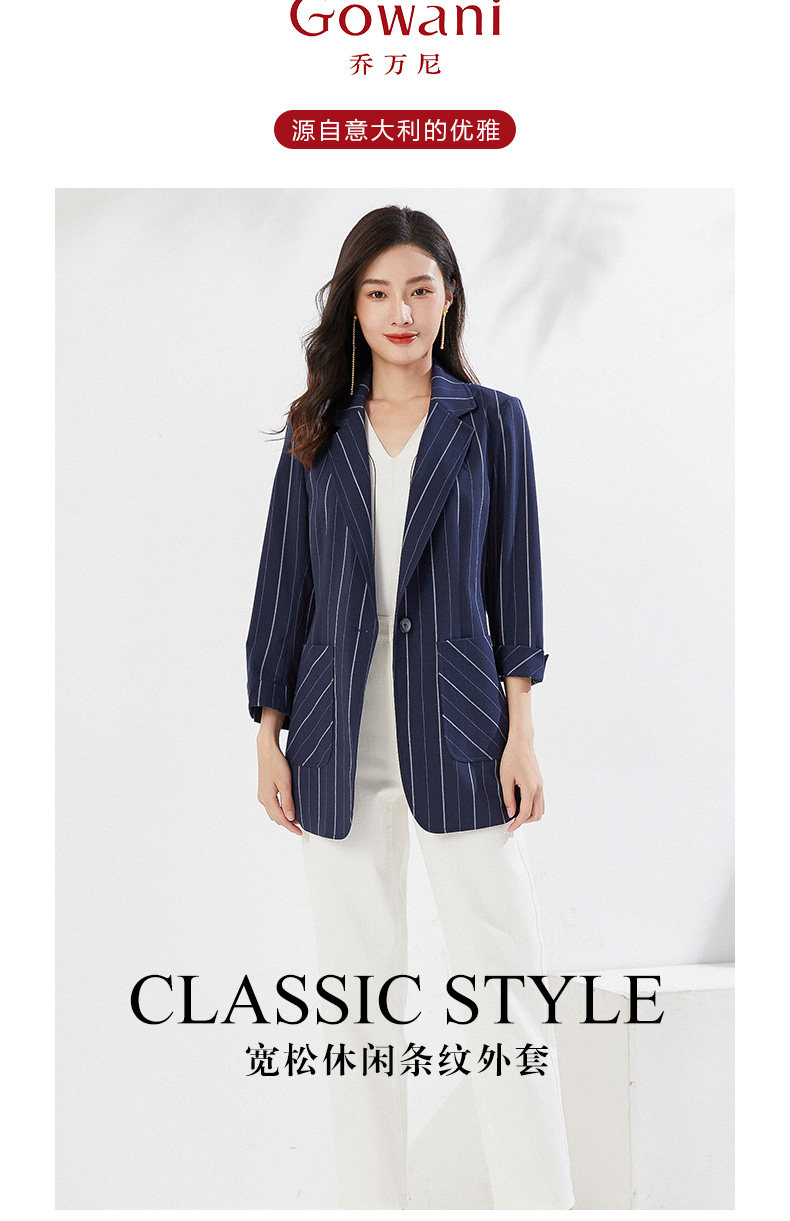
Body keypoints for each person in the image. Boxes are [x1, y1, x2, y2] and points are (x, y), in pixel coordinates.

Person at [246, 205, 575, 1209]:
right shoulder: (317, 430)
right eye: (379, 291)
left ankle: (539, 1203)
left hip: (464, 729)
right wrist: (268, 731)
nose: (400, 311)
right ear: (352, 305)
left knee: (505, 987)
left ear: (448, 299)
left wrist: (522, 729)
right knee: (355, 1001)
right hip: (333, 736)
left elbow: (515, 581)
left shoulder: (492, 422)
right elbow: (283, 588)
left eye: (419, 290)